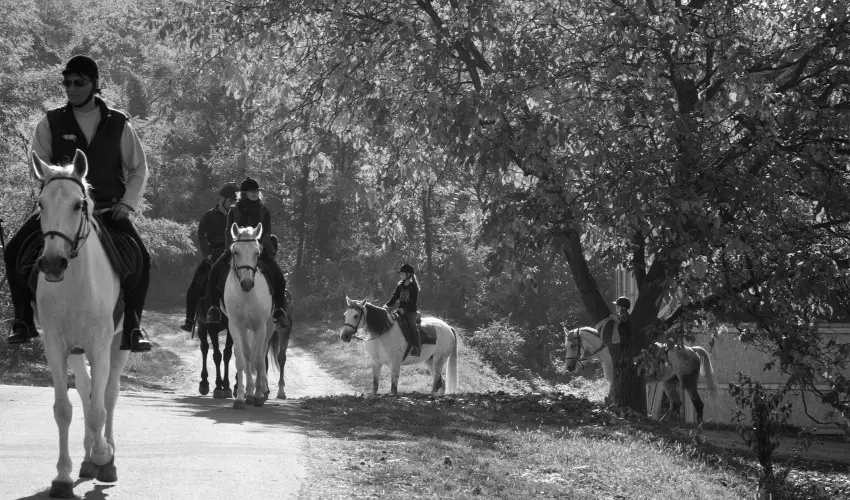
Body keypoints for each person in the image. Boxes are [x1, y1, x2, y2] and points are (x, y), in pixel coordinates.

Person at [4, 54, 151, 352]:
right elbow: (40, 165)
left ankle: (133, 328)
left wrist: (128, 203)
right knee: (13, 250)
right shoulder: (50, 121)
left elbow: (139, 169)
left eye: (79, 82)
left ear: (94, 85)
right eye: (67, 82)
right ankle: (22, 320)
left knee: (143, 260)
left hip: (109, 209)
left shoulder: (119, 123)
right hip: (61, 210)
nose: (71, 88)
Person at [204, 177, 289, 328]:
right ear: (244, 193)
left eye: (256, 191)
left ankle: (279, 310)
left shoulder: (264, 210)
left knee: (279, 277)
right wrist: (232, 248)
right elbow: (229, 231)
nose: (255, 193)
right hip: (237, 249)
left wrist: (261, 245)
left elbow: (267, 231)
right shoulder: (233, 210)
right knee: (213, 273)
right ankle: (214, 308)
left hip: (258, 249)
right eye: (251, 191)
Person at [179, 182, 238, 332]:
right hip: (214, 255)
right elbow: (202, 236)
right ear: (223, 200)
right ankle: (189, 319)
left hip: (234, 255)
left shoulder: (239, 216)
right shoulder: (209, 215)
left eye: (236, 201)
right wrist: (208, 254)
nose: (233, 204)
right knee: (195, 284)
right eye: (231, 200)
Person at [385, 263, 421, 356]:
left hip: (411, 312)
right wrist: (387, 305)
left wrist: (404, 310)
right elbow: (394, 298)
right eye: (400, 274)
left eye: (402, 274)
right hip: (400, 311)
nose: (400, 275)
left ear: (408, 275)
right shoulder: (399, 286)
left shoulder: (413, 287)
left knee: (412, 327)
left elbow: (413, 302)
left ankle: (416, 347)